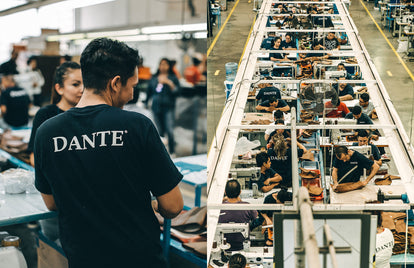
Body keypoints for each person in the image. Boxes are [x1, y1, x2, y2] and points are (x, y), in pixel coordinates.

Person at [34, 38, 183, 267]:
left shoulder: (46, 132)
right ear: (115, 83)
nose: (132, 94)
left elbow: (52, 203)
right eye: (131, 86)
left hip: (83, 258)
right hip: (138, 257)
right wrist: (149, 204)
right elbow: (173, 206)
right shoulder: (137, 126)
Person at [28, 61, 83, 166]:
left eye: (85, 84)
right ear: (59, 88)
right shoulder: (46, 114)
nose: (82, 89)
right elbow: (34, 157)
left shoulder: (88, 114)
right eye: (75, 84)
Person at [147, 58, 180, 155]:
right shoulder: (154, 78)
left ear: (169, 66)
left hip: (168, 107)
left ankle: (172, 151)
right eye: (161, 64)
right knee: (159, 132)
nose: (163, 66)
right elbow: (150, 92)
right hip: (156, 108)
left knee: (170, 130)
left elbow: (177, 92)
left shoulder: (173, 77)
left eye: (165, 64)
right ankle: (162, 153)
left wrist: (169, 83)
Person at [218, 180, 258, 251]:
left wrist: (222, 200)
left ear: (225, 192)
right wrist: (241, 202)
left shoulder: (217, 207)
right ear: (240, 192)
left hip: (223, 246)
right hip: (242, 246)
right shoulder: (247, 206)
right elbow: (256, 217)